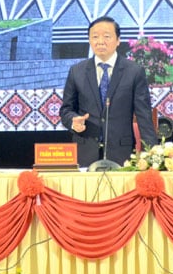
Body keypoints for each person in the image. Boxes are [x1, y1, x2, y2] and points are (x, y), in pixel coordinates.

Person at [58, 16, 159, 167]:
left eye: (106, 36)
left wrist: (152, 156)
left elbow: (144, 116)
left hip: (121, 154)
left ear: (118, 40)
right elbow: (66, 110)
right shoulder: (76, 71)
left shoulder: (134, 72)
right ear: (90, 40)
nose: (100, 41)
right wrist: (73, 121)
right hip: (85, 152)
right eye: (95, 37)